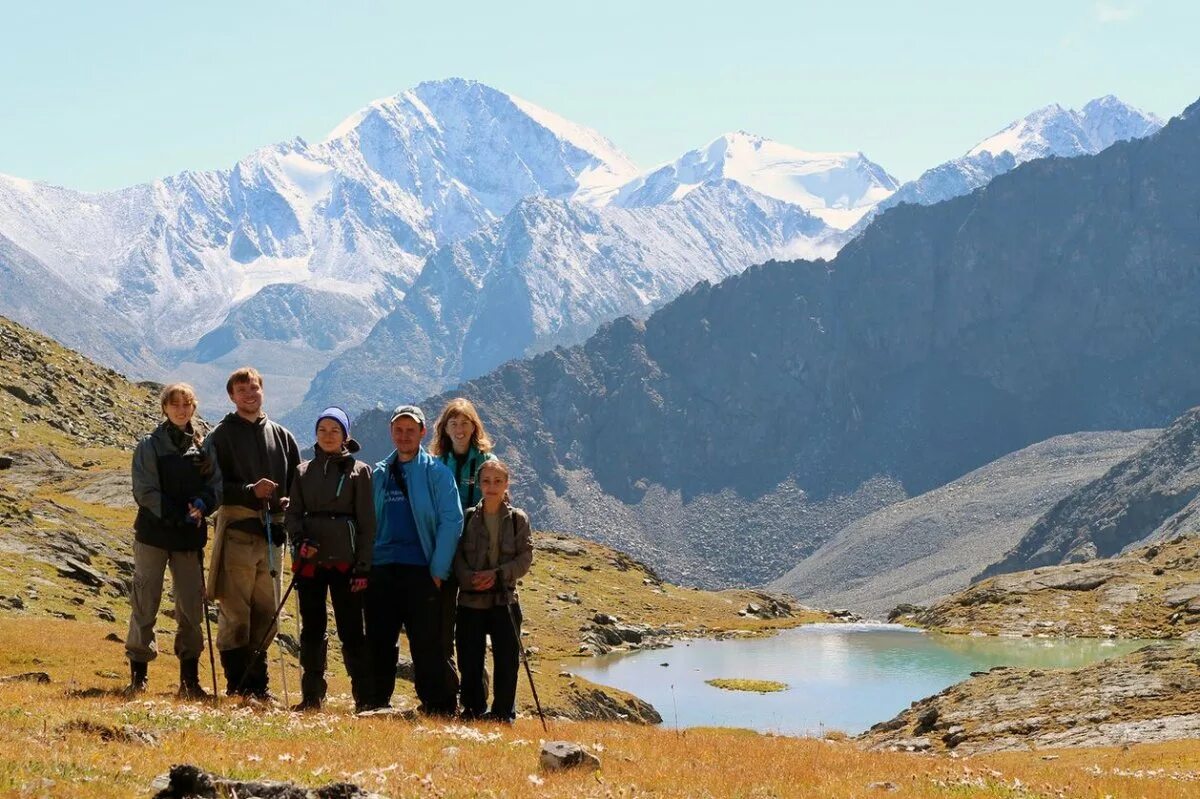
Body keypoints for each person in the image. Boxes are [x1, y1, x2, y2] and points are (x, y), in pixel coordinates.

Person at [204, 367, 301, 700]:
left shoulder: (283, 436)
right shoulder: (219, 436)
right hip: (237, 533)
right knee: (235, 611)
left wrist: (288, 501)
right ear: (231, 396)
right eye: (242, 390)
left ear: (263, 391)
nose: (249, 394)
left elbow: (295, 483)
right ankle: (238, 684)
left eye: (254, 388)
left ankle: (258, 686)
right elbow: (212, 487)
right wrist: (249, 491)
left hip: (273, 535)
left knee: (267, 613)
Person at [364, 405, 463, 714]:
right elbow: (366, 521)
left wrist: (438, 570)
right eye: (398, 430)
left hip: (421, 569)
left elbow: (453, 520)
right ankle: (376, 702)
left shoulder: (436, 472)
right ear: (391, 433)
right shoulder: (379, 473)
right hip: (382, 568)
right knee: (380, 640)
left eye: (410, 430)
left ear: (422, 432)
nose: (404, 436)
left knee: (427, 643)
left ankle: (438, 706)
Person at [126, 383, 220, 698]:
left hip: (189, 540)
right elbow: (145, 491)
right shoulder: (149, 445)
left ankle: (189, 682)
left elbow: (216, 485)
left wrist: (205, 503)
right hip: (154, 536)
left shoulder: (204, 446)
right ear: (165, 408)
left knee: (191, 607)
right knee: (145, 603)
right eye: (174, 404)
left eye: (186, 404)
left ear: (193, 408)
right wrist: (179, 513)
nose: (181, 409)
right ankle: (138, 677)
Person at [285, 407, 375, 712]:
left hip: (347, 562)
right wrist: (299, 539)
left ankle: (363, 697)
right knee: (312, 628)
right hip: (311, 559)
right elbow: (293, 513)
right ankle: (311, 696)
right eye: (322, 430)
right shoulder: (302, 471)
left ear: (345, 436)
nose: (327, 436)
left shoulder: (360, 471)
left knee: (352, 629)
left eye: (334, 430)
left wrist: (363, 566)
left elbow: (367, 523)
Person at [453, 458, 532, 722]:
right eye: (486, 481)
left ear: (506, 484)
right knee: (469, 659)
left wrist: (497, 575)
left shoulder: (518, 520)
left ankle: (502, 714)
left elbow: (524, 558)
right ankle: (473, 709)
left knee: (507, 661)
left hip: (504, 599)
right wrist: (470, 578)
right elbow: (457, 556)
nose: (492, 486)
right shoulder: (465, 517)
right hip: (470, 601)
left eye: (498, 481)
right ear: (478, 484)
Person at [429, 398, 496, 694]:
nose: (459, 429)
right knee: (441, 624)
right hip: (443, 553)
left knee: (472, 627)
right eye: (453, 423)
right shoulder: (435, 463)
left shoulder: (485, 461)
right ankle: (445, 693)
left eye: (464, 423)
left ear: (474, 427)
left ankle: (475, 696)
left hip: (474, 556)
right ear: (444, 428)